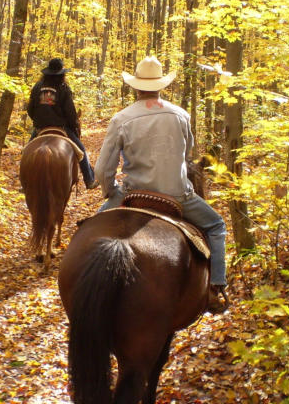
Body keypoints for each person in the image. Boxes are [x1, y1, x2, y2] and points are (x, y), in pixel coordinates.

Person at [94, 55, 228, 312]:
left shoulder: (121, 118)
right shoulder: (181, 115)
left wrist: (111, 192)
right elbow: (187, 155)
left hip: (133, 193)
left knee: (90, 228)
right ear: (161, 85)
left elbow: (102, 169)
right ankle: (216, 288)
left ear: (135, 86)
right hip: (177, 195)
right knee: (216, 226)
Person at [27, 58, 99, 190]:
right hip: (61, 127)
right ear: (61, 74)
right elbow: (70, 112)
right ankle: (89, 180)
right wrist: (73, 125)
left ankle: (24, 182)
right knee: (81, 151)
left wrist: (38, 122)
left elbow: (30, 110)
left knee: (26, 153)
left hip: (40, 128)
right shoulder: (64, 88)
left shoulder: (37, 87)